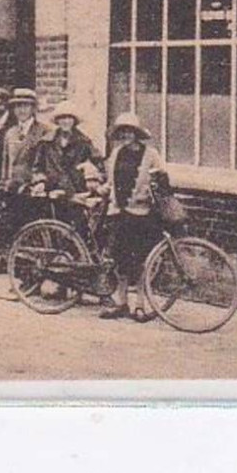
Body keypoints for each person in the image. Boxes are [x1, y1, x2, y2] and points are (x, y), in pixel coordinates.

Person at [99, 111, 169, 321]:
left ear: (136, 134)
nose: (126, 135)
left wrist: (149, 191)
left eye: (130, 131)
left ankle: (139, 304)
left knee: (139, 261)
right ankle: (121, 302)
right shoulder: (117, 153)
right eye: (123, 132)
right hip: (119, 214)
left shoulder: (151, 154)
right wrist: (101, 189)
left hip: (142, 215)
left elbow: (162, 181)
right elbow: (110, 182)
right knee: (119, 260)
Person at [32, 100, 98, 211]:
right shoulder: (46, 142)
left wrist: (91, 176)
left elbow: (98, 164)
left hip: (76, 193)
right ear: (57, 121)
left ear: (74, 121)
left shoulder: (84, 143)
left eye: (69, 118)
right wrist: (40, 182)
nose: (66, 122)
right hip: (53, 192)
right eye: (62, 118)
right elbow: (37, 167)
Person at [0, 89, 46, 193]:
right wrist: (3, 183)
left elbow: (47, 163)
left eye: (26, 106)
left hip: (33, 188)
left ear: (33, 109)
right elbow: (6, 162)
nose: (22, 110)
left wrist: (41, 182)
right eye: (18, 106)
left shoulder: (43, 131)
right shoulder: (10, 133)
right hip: (12, 189)